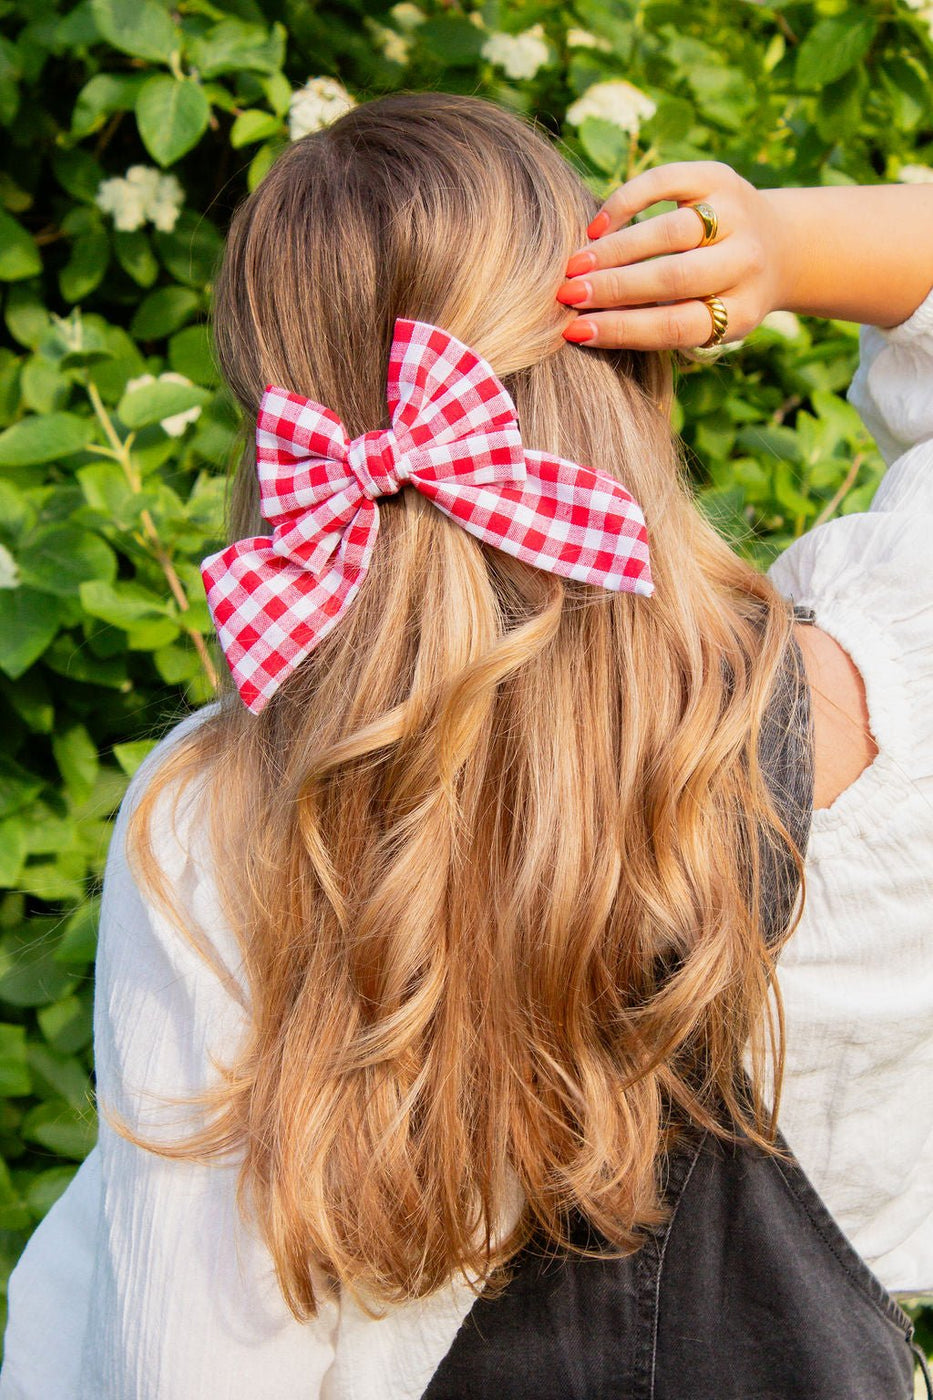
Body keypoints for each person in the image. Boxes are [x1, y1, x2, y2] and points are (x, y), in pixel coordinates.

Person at [1, 90, 932, 1398]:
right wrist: (778, 243)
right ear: (628, 361)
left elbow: (179, 1365)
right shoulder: (889, 712)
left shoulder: (224, 819)